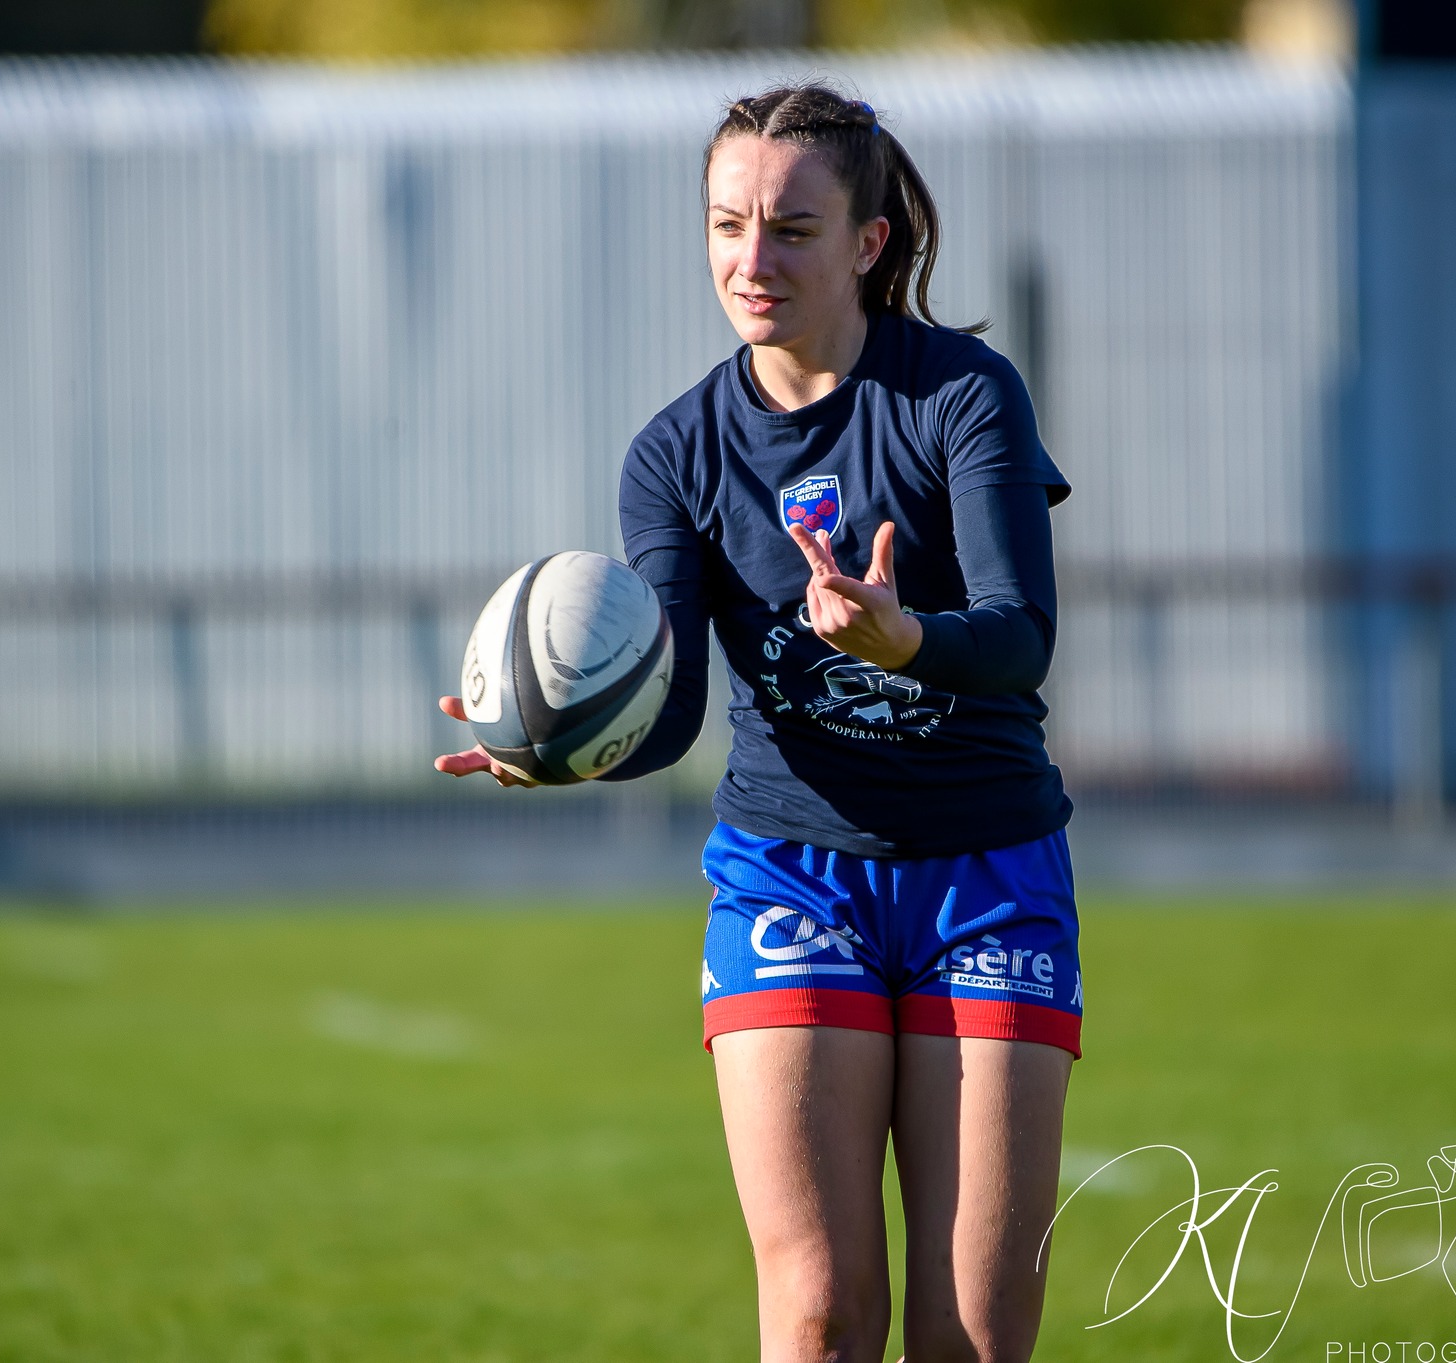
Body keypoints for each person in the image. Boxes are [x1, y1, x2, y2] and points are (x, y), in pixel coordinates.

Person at [435, 82, 1078, 1363]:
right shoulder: (672, 453)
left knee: (971, 1333)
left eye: (790, 229)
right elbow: (672, 710)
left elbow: (1018, 636)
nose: (750, 259)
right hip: (793, 874)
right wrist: (561, 747)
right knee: (818, 1313)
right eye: (727, 225)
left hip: (986, 877)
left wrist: (905, 640)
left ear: (867, 242)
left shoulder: (960, 395)